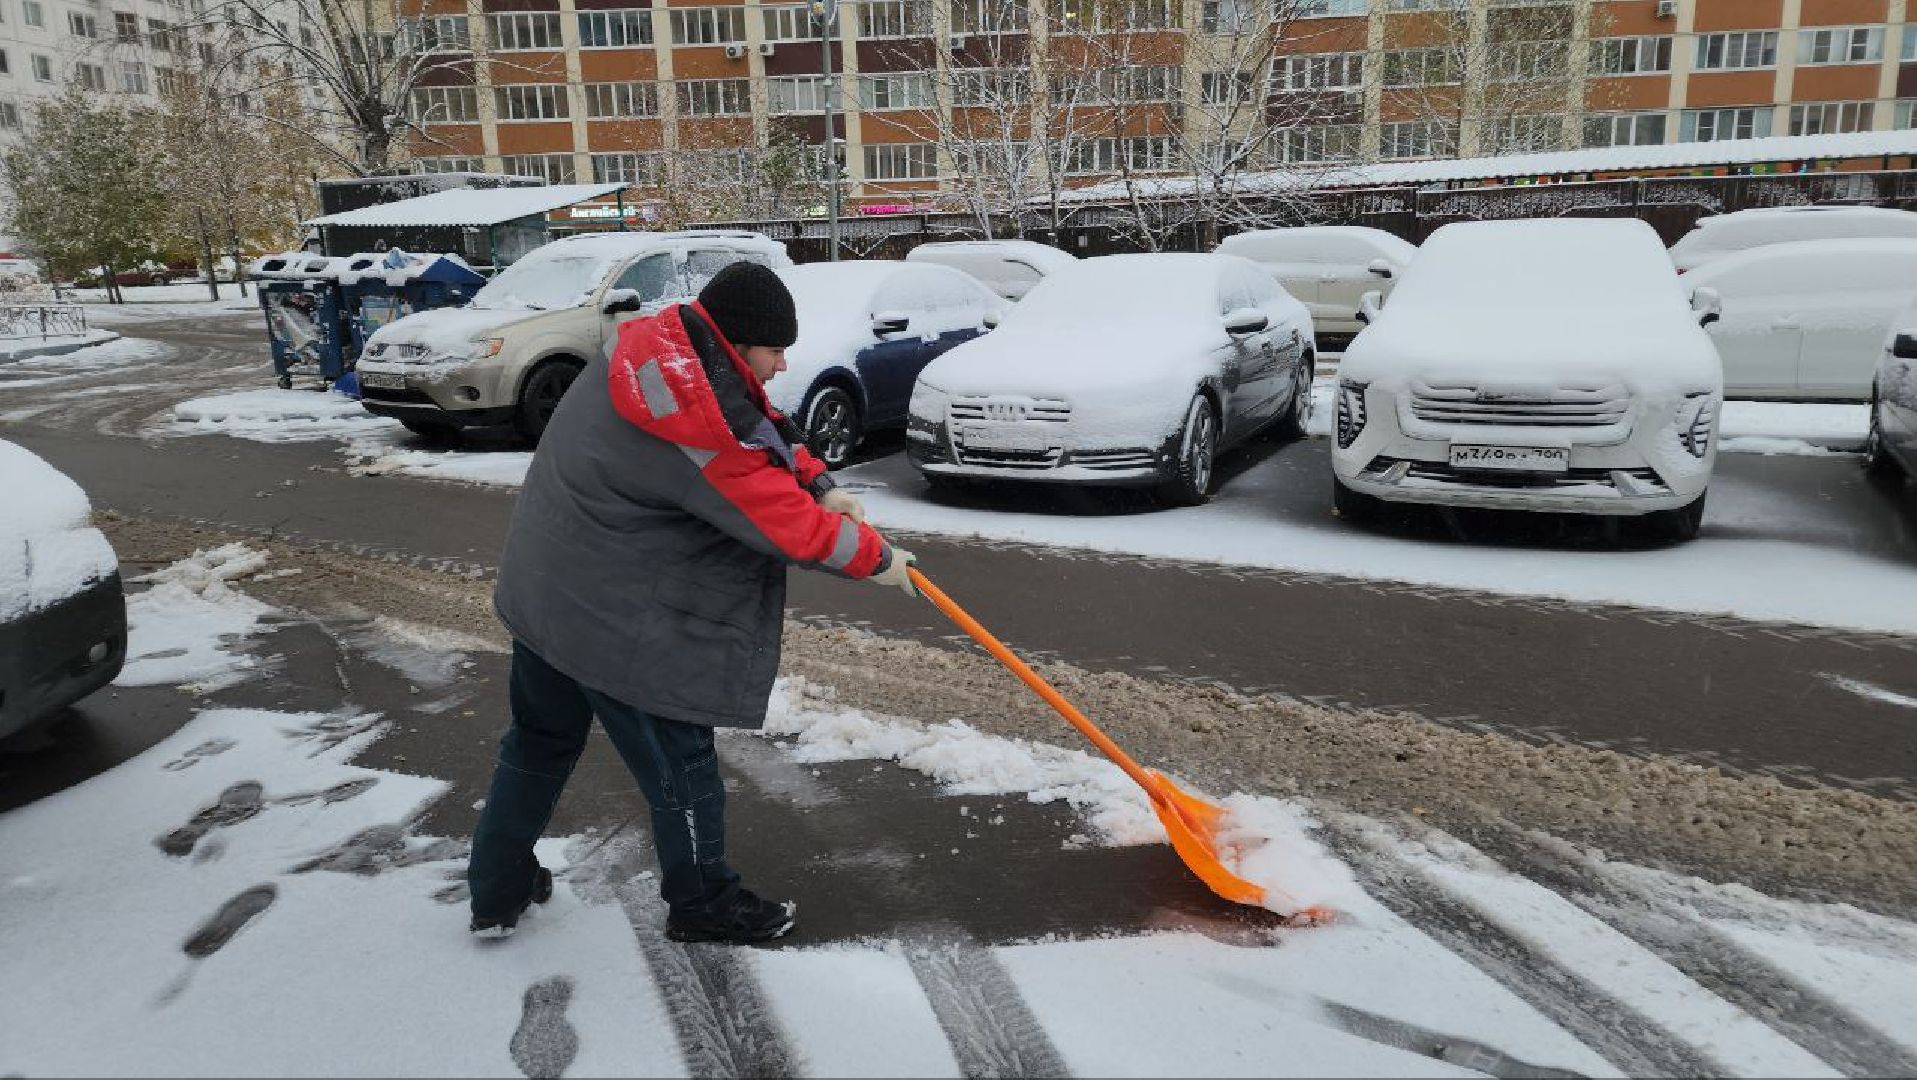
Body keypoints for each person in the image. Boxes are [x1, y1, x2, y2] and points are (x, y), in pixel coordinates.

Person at [467, 261, 917, 944]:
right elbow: (777, 522)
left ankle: (496, 888)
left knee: (539, 739)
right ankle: (702, 901)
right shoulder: (688, 419)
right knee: (681, 763)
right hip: (611, 616)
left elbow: (755, 420)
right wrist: (877, 558)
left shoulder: (660, 349)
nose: (782, 364)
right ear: (736, 343)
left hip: (549, 586)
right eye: (774, 350)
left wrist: (816, 478)